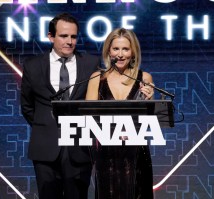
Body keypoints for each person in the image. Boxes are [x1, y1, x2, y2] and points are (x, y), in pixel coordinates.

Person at [20, 13, 101, 199]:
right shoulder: (33, 65)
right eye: (64, 36)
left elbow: (97, 101)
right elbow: (27, 106)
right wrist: (46, 127)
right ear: (51, 37)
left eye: (73, 36)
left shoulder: (91, 63)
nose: (69, 41)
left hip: (79, 146)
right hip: (45, 147)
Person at [86, 28, 154, 199]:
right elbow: (88, 118)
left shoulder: (144, 78)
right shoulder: (97, 78)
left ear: (133, 52)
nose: (121, 54)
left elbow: (150, 119)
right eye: (116, 48)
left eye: (125, 49)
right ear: (108, 51)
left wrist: (149, 100)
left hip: (136, 153)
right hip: (106, 154)